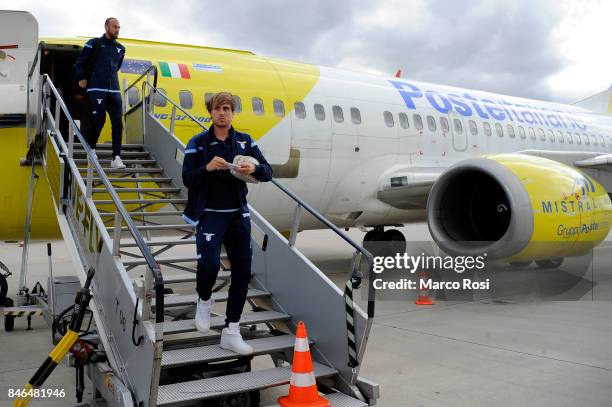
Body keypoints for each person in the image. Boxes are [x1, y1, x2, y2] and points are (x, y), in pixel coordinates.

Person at [182, 92, 273, 355]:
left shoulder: (245, 142)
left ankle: (231, 331)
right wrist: (207, 169)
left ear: (233, 113)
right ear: (210, 112)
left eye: (227, 108)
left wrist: (253, 170)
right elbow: (188, 179)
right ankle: (204, 299)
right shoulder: (198, 143)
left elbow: (268, 171)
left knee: (242, 273)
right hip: (210, 214)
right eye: (217, 108)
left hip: (238, 216)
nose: (222, 112)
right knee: (209, 266)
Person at [73, 17, 126, 169]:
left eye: (119, 27)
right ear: (107, 27)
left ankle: (116, 157)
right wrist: (82, 77)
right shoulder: (94, 43)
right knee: (100, 119)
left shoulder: (121, 48)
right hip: (97, 88)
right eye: (115, 26)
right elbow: (80, 62)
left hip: (114, 90)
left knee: (117, 123)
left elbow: (116, 67)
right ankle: (91, 148)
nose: (117, 29)